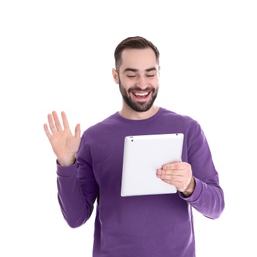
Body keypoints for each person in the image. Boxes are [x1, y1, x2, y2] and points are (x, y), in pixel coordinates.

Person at [43, 36, 225, 257]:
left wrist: (190, 185)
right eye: (131, 74)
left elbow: (216, 207)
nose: (142, 84)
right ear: (115, 76)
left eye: (150, 73)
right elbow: (75, 218)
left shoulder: (188, 129)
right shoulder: (94, 138)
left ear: (159, 73)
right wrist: (66, 163)